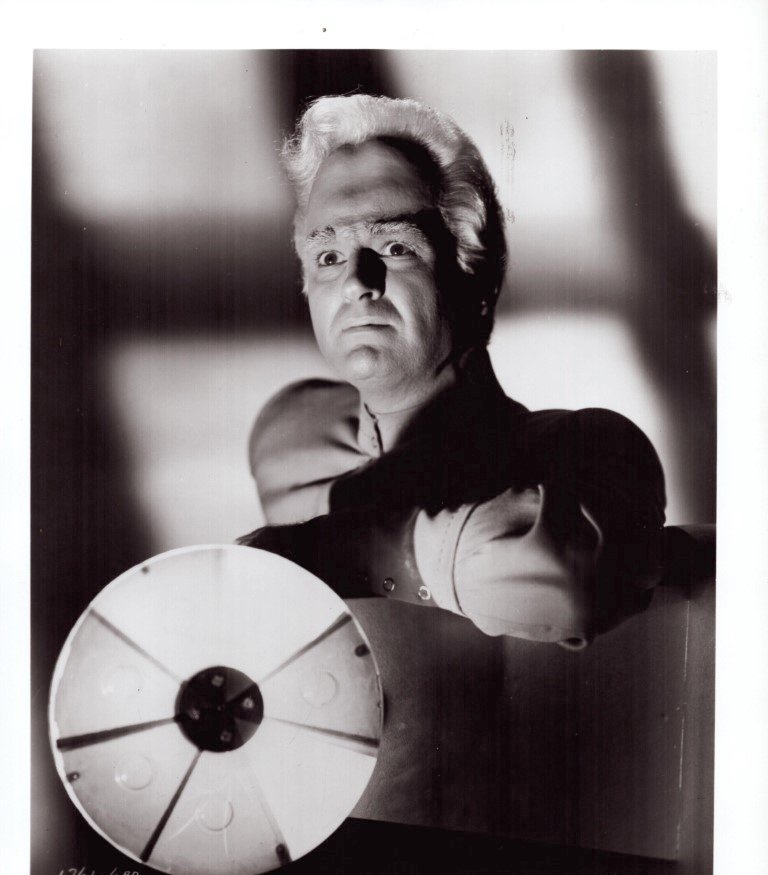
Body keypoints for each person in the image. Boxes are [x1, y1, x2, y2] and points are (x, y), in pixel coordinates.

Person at [239, 94, 666, 649]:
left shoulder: (589, 449)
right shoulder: (292, 436)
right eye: (328, 257)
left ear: (477, 280)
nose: (355, 282)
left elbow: (561, 587)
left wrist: (322, 549)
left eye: (395, 247)